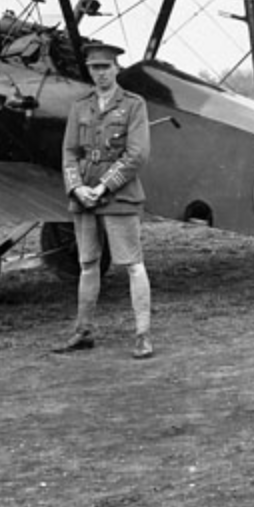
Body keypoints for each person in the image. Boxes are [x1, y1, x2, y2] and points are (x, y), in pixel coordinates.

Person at [54, 42, 154, 359]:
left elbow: (137, 154)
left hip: (119, 195)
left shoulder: (134, 105)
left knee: (133, 265)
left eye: (105, 67)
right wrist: (77, 188)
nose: (100, 73)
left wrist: (103, 187)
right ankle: (83, 331)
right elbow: (69, 152)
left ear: (116, 68)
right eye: (94, 68)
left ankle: (143, 335)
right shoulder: (80, 107)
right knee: (87, 264)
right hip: (84, 196)